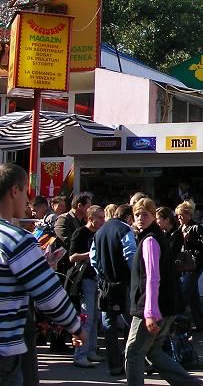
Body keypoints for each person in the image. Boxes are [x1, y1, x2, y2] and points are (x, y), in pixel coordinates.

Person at [0, 163, 86, 386]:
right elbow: (48, 293)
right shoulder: (16, 241)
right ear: (14, 191)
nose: (29, 203)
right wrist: (75, 326)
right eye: (26, 192)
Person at [125, 198, 203, 386]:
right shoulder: (154, 236)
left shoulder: (150, 240)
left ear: (153, 216)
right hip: (163, 305)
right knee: (152, 350)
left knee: (134, 352)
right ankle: (189, 383)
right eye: (137, 215)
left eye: (145, 214)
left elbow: (152, 277)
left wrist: (150, 312)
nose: (140, 218)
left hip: (151, 307)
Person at [91, 203, 136, 376]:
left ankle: (114, 365)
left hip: (105, 285)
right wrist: (136, 277)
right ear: (129, 217)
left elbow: (94, 259)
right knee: (131, 323)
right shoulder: (124, 229)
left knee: (108, 326)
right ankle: (131, 362)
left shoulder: (100, 231)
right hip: (123, 283)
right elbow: (130, 255)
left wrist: (102, 275)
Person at [69, 204, 106, 368]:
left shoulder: (100, 233)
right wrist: (90, 254)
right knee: (86, 318)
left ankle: (91, 350)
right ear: (90, 218)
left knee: (96, 317)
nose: (102, 220)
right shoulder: (81, 233)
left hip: (98, 279)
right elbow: (72, 257)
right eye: (99, 217)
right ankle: (80, 354)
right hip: (85, 279)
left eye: (103, 217)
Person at [175, 201, 203, 332]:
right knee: (193, 294)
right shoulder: (180, 228)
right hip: (185, 265)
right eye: (177, 215)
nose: (179, 218)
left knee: (184, 292)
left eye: (181, 215)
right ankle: (200, 322)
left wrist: (190, 239)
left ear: (189, 215)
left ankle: (177, 320)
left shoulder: (196, 228)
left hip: (194, 265)